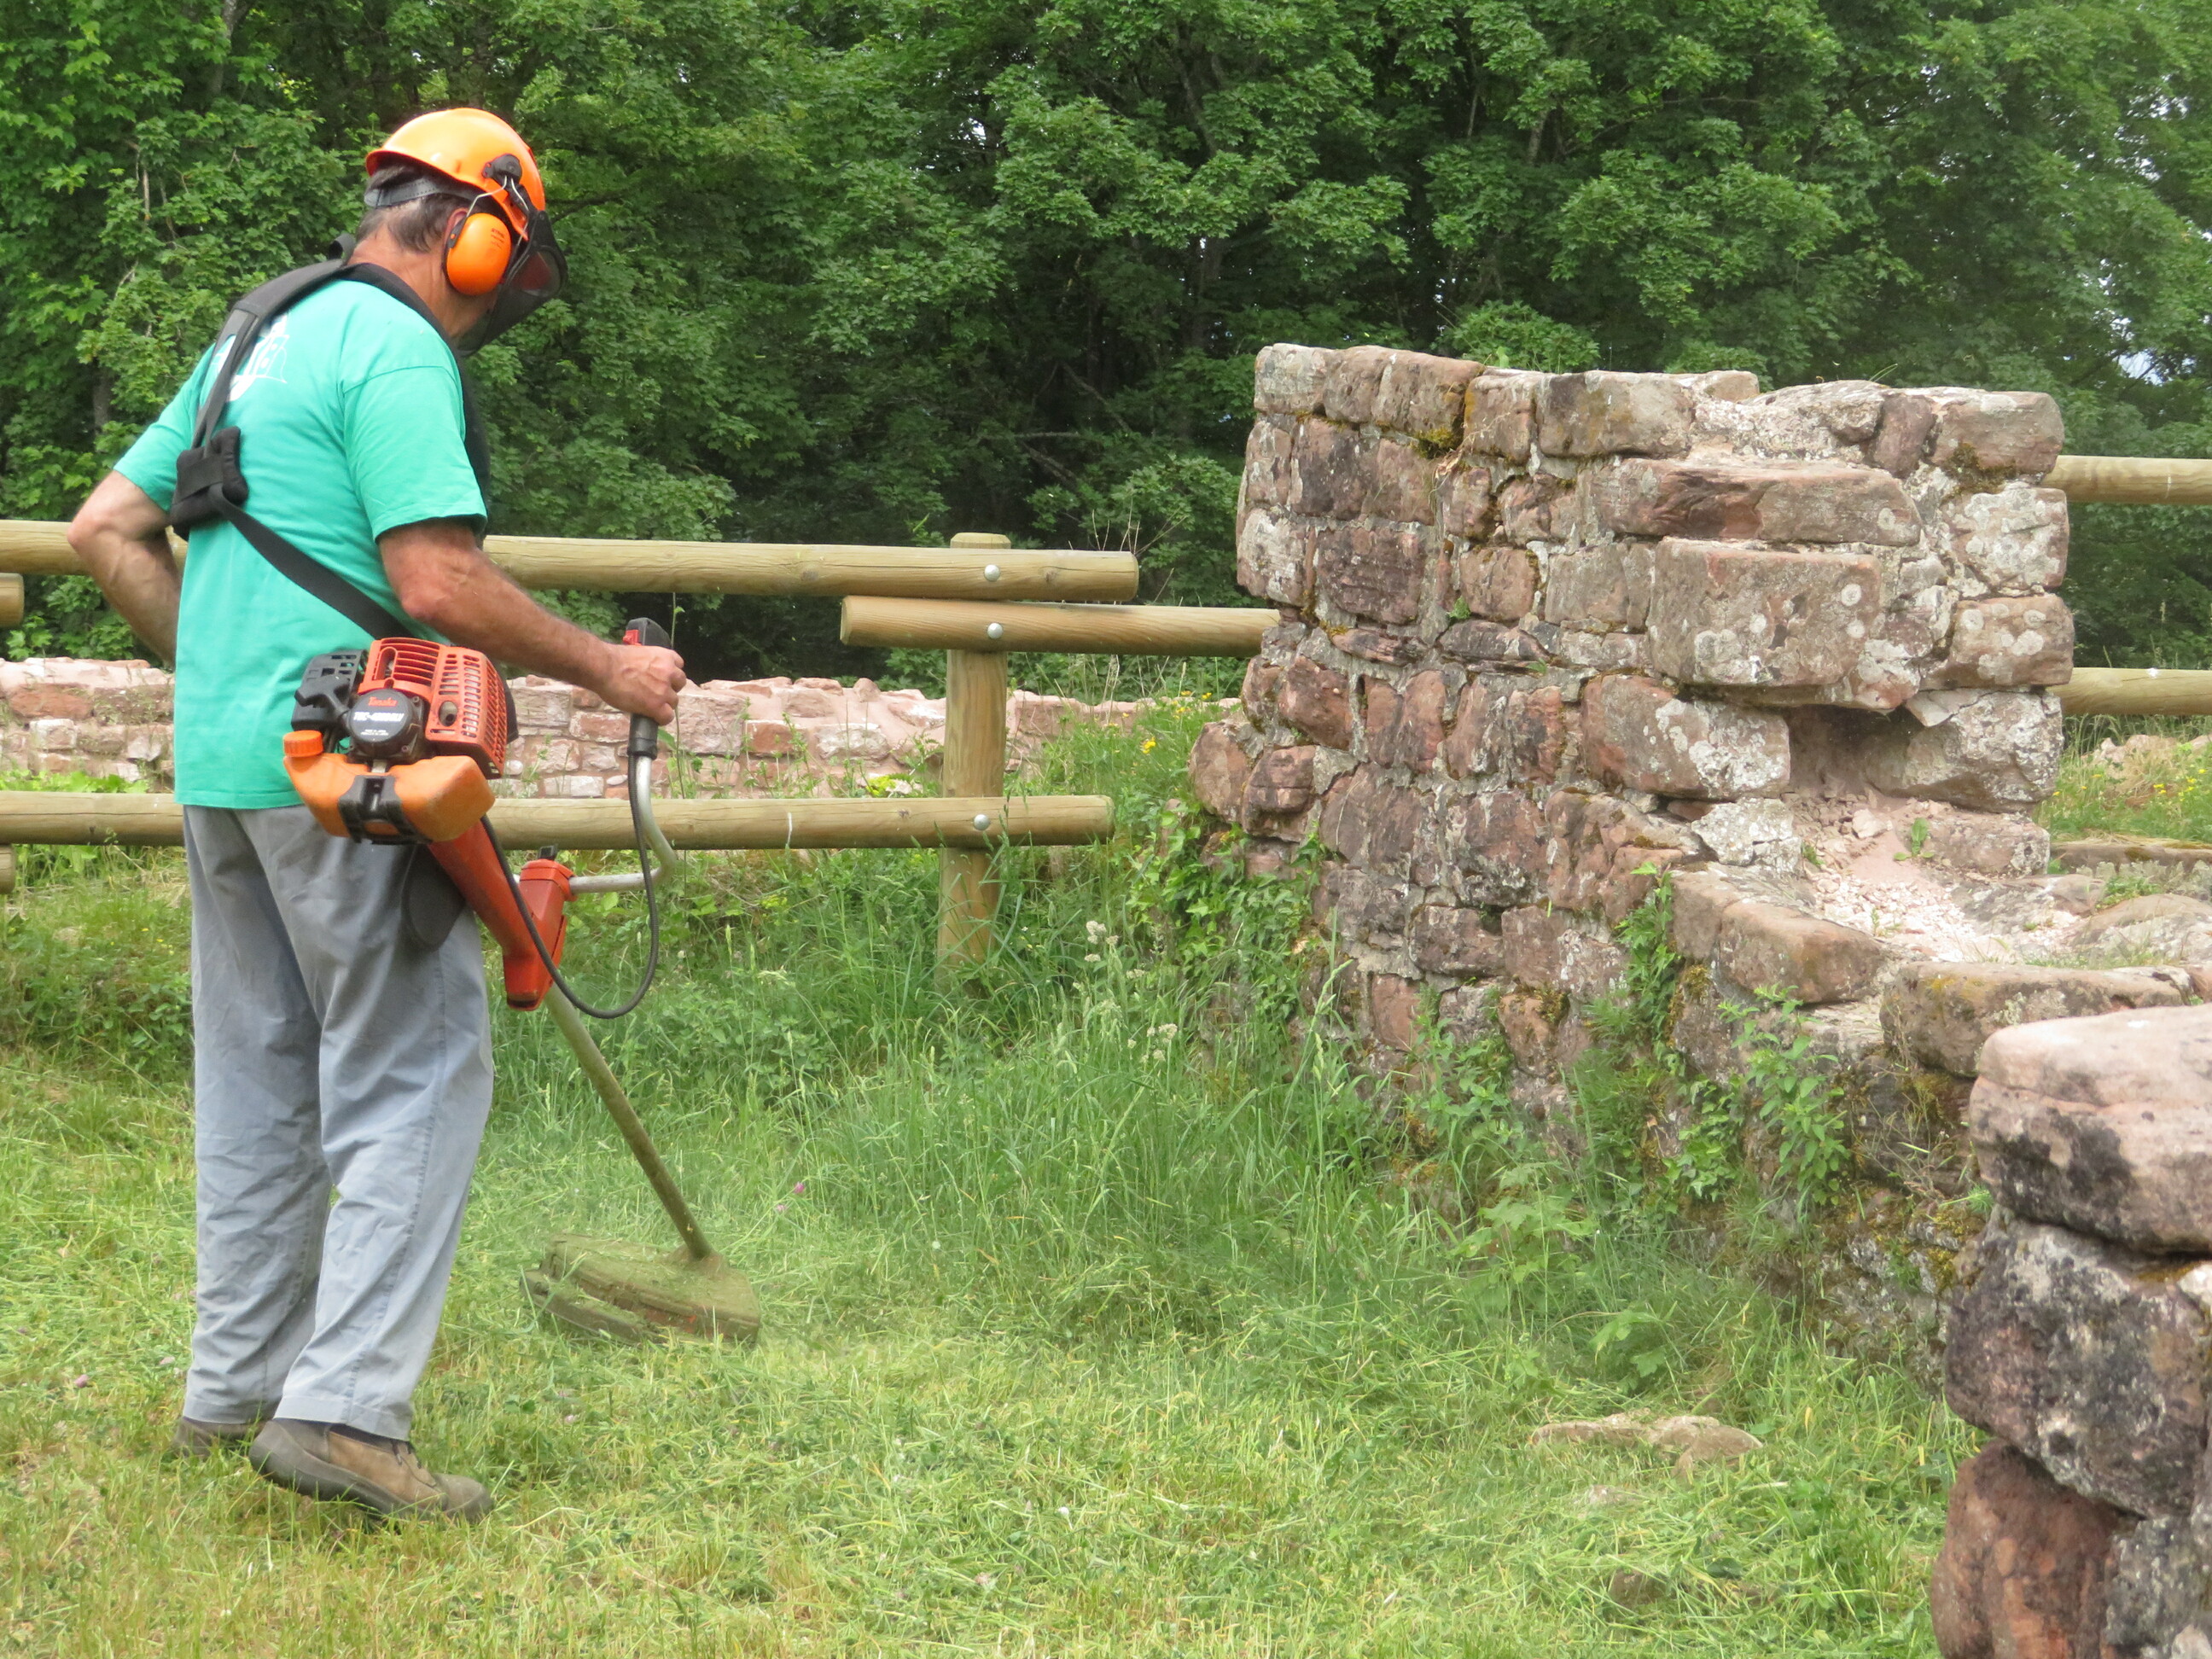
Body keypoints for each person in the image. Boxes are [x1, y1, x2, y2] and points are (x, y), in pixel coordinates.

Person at [65, 108, 685, 1522]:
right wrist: (610, 670)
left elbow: (106, 530)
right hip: (356, 776)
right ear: (472, 230)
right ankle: (344, 1414)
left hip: (231, 769)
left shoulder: (255, 334)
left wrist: (231, 681)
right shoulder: (398, 347)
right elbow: (437, 583)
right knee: (417, 1071)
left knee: (259, 1080)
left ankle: (232, 1391)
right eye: (510, 256)